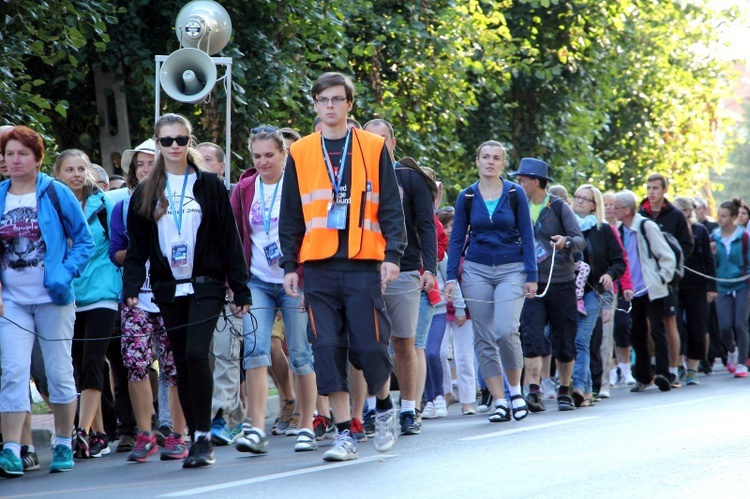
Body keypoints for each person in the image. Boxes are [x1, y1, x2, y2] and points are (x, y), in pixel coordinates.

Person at [279, 72, 406, 462]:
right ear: (315, 106)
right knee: (327, 348)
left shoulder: (372, 146)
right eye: (323, 100)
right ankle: (344, 432)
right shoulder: (300, 151)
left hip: (363, 263)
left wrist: (394, 256)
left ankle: (383, 406)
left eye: (337, 99)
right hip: (317, 266)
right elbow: (290, 215)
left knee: (369, 346)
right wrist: (289, 264)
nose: (330, 106)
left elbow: (389, 207)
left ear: (350, 105)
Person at [122, 113, 251, 468]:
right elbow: (137, 248)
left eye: (181, 140)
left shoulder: (208, 185)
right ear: (158, 144)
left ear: (189, 142)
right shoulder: (145, 192)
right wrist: (131, 287)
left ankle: (203, 435)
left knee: (196, 353)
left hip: (206, 284)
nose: (175, 146)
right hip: (167, 287)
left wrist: (240, 290)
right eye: (167, 141)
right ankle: (195, 435)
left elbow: (229, 240)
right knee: (179, 362)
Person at [0, 126, 94, 476]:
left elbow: (83, 241)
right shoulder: (0, 196)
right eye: (10, 154)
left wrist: (63, 274)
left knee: (57, 372)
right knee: (13, 372)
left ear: (38, 159)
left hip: (53, 299)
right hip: (12, 304)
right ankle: (11, 449)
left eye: (22, 153)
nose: (15, 160)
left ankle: (64, 442)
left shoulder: (55, 192)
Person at [230, 126, 318, 454]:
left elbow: (311, 232)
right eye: (257, 156)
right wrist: (236, 285)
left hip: (294, 278)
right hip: (257, 281)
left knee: (298, 351)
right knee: (254, 349)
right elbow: (237, 237)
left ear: (284, 154)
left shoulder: (299, 184)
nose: (263, 162)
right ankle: (254, 428)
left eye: (270, 155)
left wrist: (307, 276)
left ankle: (307, 424)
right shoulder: (243, 189)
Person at [109, 140, 188, 463]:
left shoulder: (182, 202)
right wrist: (141, 250)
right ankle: (145, 433)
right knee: (136, 364)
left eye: (149, 163)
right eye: (139, 165)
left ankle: (177, 435)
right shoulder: (123, 206)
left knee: (175, 366)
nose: (144, 169)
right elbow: (116, 252)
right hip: (137, 297)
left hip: (171, 295)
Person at [445, 145, 537, 422]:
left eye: (496, 158)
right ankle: (499, 400)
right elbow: (457, 238)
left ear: (502, 164)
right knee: (483, 337)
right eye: (485, 157)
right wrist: (451, 277)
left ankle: (515, 392)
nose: (490, 161)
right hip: (476, 270)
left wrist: (532, 275)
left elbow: (528, 235)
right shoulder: (467, 196)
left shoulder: (514, 193)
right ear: (477, 161)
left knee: (506, 330)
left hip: (512, 268)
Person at [363, 118, 437, 436]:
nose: (379, 144)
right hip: (363, 269)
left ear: (393, 143)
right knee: (367, 344)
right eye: (371, 139)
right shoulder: (355, 177)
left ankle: (409, 408)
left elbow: (427, 226)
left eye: (384, 139)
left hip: (404, 270)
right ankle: (370, 409)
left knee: (404, 343)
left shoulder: (410, 179)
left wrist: (430, 268)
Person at [53, 150, 121, 459]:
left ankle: (80, 431)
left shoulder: (104, 204)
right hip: (67, 295)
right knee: (79, 365)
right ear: (58, 174)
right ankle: (99, 434)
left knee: (94, 359)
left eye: (81, 168)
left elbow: (120, 245)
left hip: (103, 293)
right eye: (70, 169)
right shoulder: (50, 206)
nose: (77, 174)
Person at [510, 158, 583, 412]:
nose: (517, 184)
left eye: (521, 180)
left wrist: (566, 241)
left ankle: (564, 389)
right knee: (530, 336)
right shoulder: (517, 205)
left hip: (561, 282)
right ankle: (533, 390)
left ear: (535, 181)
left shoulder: (559, 207)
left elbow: (579, 239)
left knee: (564, 338)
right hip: (530, 284)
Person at [613, 190, 674, 393]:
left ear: (628, 210)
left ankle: (664, 374)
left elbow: (666, 255)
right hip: (633, 291)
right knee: (637, 333)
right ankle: (643, 377)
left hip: (652, 287)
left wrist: (662, 278)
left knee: (657, 330)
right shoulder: (620, 230)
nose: (613, 210)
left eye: (617, 207)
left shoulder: (646, 226)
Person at [569, 185, 625, 406]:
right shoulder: (566, 226)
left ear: (595, 205)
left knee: (581, 339)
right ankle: (588, 390)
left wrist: (610, 275)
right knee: (569, 340)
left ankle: (579, 388)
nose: (580, 201)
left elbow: (619, 262)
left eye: (586, 199)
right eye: (578, 197)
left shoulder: (603, 230)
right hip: (566, 291)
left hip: (592, 291)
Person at [639, 173, 693, 388]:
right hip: (645, 279)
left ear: (664, 190)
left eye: (655, 188)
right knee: (648, 323)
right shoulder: (640, 214)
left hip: (667, 278)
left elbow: (686, 245)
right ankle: (653, 366)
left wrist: (671, 266)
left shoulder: (676, 216)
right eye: (649, 187)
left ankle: (672, 368)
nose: (651, 192)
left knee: (668, 321)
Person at [672, 197, 716, 385]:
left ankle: (693, 368)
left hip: (697, 286)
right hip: (675, 284)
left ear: (690, 211)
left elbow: (708, 259)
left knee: (698, 327)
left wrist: (712, 287)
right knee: (676, 327)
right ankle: (679, 363)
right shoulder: (670, 230)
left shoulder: (700, 230)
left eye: (682, 210)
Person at [711, 198, 750, 378]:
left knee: (740, 324)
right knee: (724, 326)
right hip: (722, 285)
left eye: (724, 216)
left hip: (742, 284)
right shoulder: (714, 237)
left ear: (734, 217)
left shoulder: (743, 237)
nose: (720, 219)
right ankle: (731, 349)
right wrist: (712, 254)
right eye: (719, 215)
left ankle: (742, 363)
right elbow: (711, 264)